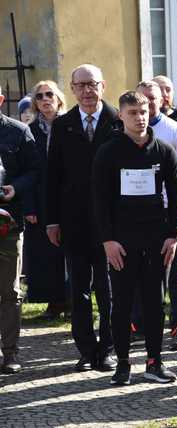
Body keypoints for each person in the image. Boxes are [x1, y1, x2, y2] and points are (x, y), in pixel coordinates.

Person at [93, 91, 177, 385]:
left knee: (155, 302)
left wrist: (173, 235)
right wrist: (107, 240)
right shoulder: (108, 152)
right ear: (121, 116)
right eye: (132, 112)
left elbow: (176, 196)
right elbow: (99, 200)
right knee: (121, 304)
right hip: (121, 241)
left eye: (143, 111)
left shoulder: (164, 150)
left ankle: (154, 362)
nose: (139, 117)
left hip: (156, 240)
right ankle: (123, 363)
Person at [46, 64, 118, 372]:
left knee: (109, 289)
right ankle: (86, 350)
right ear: (72, 89)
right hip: (74, 221)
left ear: (103, 86)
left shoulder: (118, 120)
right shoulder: (63, 125)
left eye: (93, 84)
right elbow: (52, 176)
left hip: (111, 223)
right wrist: (52, 220)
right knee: (79, 289)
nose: (87, 91)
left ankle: (109, 349)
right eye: (81, 85)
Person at [135, 80, 177, 351]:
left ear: (162, 100)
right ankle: (140, 326)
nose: (147, 103)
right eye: (142, 98)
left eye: (152, 98)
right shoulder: (126, 130)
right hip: (137, 217)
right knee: (139, 273)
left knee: (176, 276)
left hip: (169, 215)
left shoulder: (175, 130)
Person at [0, 85, 39, 374]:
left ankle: (10, 353)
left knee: (10, 292)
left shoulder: (18, 132)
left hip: (8, 224)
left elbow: (35, 170)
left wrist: (18, 188)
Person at [24, 81, 68, 319]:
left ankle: (74, 300)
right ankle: (54, 302)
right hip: (41, 198)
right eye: (39, 96)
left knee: (72, 250)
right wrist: (29, 205)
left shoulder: (71, 124)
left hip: (68, 196)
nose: (44, 99)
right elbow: (26, 170)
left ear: (58, 97)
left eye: (49, 94)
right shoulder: (30, 131)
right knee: (46, 253)